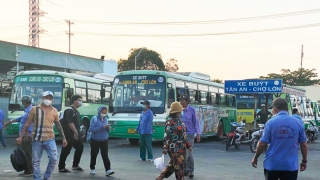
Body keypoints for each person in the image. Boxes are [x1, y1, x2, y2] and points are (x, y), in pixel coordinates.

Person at [251, 98, 308, 180]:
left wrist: (255, 158)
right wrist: (304, 161)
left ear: (274, 109)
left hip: (272, 165)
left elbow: (263, 144)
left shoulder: (270, 123)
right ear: (287, 108)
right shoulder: (298, 122)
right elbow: (304, 145)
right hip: (290, 166)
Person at [17, 91, 68, 180]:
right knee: (36, 162)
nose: (48, 99)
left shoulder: (54, 111)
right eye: (46, 97)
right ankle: (37, 178)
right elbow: (27, 124)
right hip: (37, 140)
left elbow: (58, 125)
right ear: (42, 98)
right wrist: (21, 137)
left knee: (54, 160)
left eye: (50, 98)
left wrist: (64, 138)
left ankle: (47, 177)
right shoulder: (34, 109)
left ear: (52, 99)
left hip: (50, 139)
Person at [155, 102, 191, 180]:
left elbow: (166, 137)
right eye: (180, 111)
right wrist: (188, 145)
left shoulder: (169, 122)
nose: (181, 112)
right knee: (179, 169)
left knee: (172, 165)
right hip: (178, 150)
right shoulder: (178, 122)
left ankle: (160, 177)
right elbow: (182, 135)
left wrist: (165, 148)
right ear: (177, 112)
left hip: (174, 149)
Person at [5, 95, 33, 176]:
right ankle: (29, 169)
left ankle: (29, 170)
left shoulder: (30, 110)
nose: (21, 102)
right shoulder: (27, 110)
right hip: (24, 135)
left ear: (25, 102)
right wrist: (10, 121)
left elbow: (29, 124)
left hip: (26, 135)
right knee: (25, 152)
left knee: (27, 153)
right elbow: (21, 118)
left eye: (22, 101)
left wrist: (25, 136)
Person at [58, 95, 84, 172]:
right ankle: (61, 167)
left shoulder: (76, 111)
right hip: (69, 134)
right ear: (74, 101)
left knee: (80, 147)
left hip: (75, 135)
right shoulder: (69, 111)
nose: (80, 102)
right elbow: (70, 122)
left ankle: (75, 165)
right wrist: (75, 132)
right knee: (66, 150)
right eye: (79, 100)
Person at [88, 105, 114, 176]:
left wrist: (108, 128)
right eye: (102, 112)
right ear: (99, 112)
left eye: (105, 113)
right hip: (95, 140)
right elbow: (91, 129)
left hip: (104, 140)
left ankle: (108, 169)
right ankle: (92, 168)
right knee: (94, 154)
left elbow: (107, 131)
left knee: (105, 155)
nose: (103, 114)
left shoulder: (106, 119)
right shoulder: (94, 119)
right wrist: (101, 126)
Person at [179, 94, 200, 178]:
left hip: (190, 134)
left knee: (189, 153)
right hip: (181, 134)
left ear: (187, 102)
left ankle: (191, 170)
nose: (181, 102)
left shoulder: (192, 110)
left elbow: (196, 122)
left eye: (183, 101)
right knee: (182, 153)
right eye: (180, 101)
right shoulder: (179, 110)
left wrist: (198, 133)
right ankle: (184, 170)